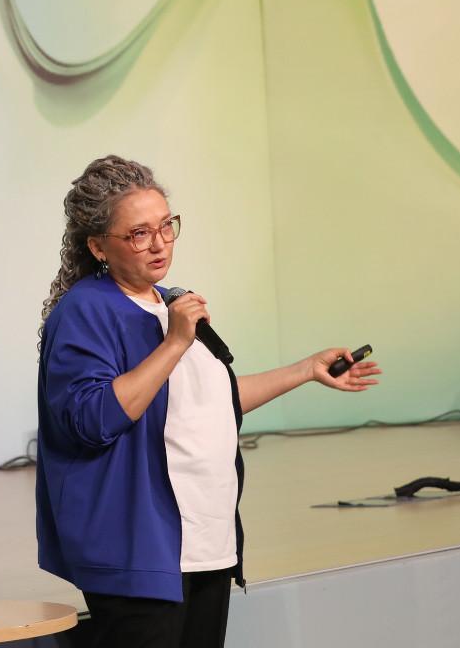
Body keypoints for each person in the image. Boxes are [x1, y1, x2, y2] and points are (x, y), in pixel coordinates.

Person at [36, 156, 380, 648]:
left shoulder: (170, 302)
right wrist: (175, 342)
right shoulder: (86, 311)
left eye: (166, 226)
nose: (159, 243)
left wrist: (306, 370)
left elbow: (211, 403)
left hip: (205, 543)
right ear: (97, 246)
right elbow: (92, 420)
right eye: (139, 233)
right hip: (139, 551)